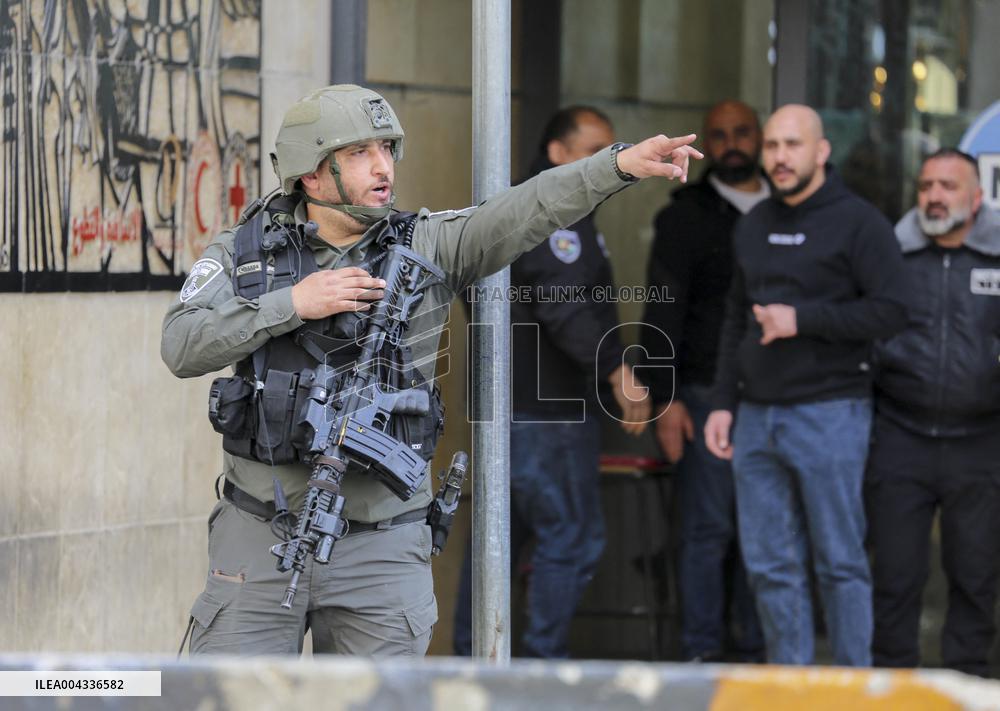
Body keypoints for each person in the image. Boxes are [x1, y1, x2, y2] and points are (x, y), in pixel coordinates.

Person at [161, 84, 701, 656]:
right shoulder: (244, 255)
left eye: (387, 149)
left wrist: (617, 166)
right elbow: (180, 345)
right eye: (359, 153)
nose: (382, 166)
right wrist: (294, 303)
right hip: (258, 541)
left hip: (382, 550)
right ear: (311, 174)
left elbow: (526, 208)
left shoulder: (429, 244)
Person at [703, 104, 908, 666]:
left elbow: (894, 310)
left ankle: (849, 693)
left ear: (821, 152)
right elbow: (735, 319)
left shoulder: (860, 222)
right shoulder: (754, 223)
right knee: (769, 565)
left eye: (792, 145)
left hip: (831, 412)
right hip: (756, 417)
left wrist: (804, 320)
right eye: (772, 146)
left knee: (839, 561)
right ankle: (791, 689)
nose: (779, 157)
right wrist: (723, 404)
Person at [452, 106, 651, 658]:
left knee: (497, 543)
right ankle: (538, 674)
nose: (611, 164)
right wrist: (617, 370)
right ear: (559, 153)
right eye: (596, 152)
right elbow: (562, 303)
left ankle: (476, 668)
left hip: (514, 405)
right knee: (572, 538)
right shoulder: (555, 211)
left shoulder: (521, 205)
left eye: (616, 152)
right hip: (548, 410)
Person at [640, 99, 766, 663]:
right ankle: (702, 663)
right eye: (720, 134)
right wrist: (664, 400)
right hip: (704, 390)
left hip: (780, 398)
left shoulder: (792, 208)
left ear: (759, 137)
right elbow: (662, 310)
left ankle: (759, 663)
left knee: (768, 535)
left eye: (743, 132)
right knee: (707, 532)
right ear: (708, 145)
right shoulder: (685, 215)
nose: (733, 142)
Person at [867, 149, 1000, 677]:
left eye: (947, 186)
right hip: (902, 436)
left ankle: (967, 683)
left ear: (977, 197)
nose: (934, 197)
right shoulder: (891, 256)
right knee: (896, 577)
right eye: (926, 186)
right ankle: (892, 685)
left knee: (975, 575)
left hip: (982, 440)